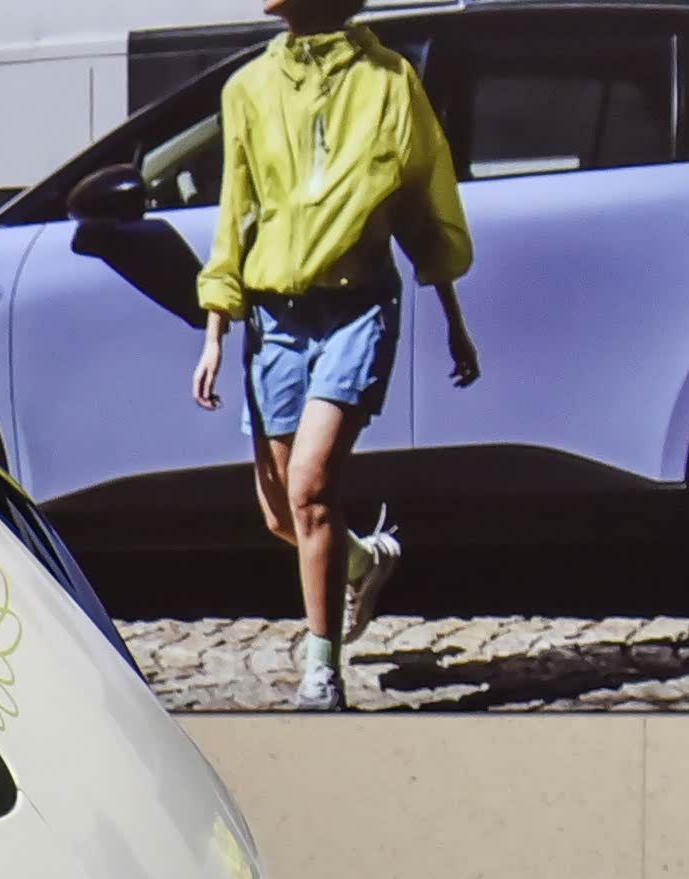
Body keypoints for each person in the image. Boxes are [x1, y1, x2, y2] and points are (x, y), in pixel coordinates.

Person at [189, 0, 479, 711]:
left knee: (311, 487)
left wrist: (453, 319)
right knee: (281, 513)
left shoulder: (389, 81)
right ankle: (364, 560)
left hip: (358, 309)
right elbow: (236, 211)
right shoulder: (248, 89)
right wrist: (215, 331)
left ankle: (322, 671)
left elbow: (423, 205)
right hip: (275, 320)